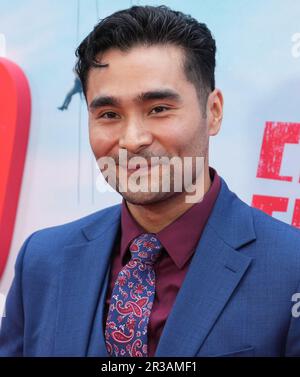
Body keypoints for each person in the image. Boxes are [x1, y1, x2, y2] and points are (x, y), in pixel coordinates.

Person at [1, 5, 300, 357]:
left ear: (213, 112)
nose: (132, 139)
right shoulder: (43, 259)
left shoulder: (289, 266)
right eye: (109, 114)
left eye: (158, 109)